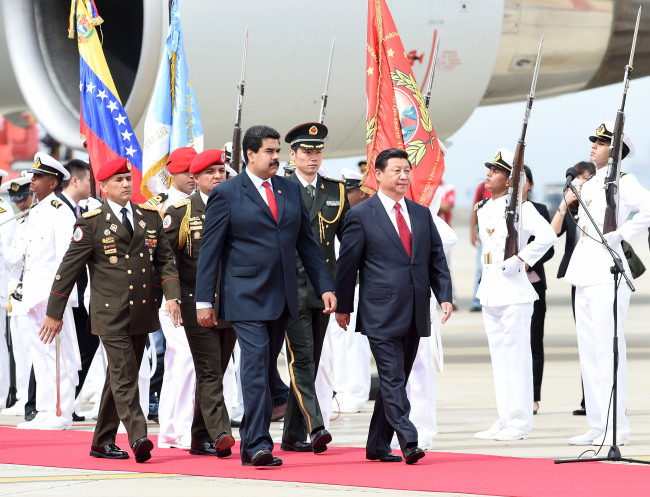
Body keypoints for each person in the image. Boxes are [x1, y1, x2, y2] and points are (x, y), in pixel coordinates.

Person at [194, 125, 336, 467]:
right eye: (270, 151)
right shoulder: (227, 193)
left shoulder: (288, 189)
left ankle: (258, 439)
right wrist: (203, 301)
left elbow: (307, 243)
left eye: (277, 151)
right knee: (256, 365)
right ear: (251, 155)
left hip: (284, 296)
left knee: (266, 366)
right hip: (244, 296)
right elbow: (210, 251)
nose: (276, 157)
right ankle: (257, 445)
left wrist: (325, 286)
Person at [40, 157, 182, 463]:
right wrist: (54, 311)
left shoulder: (149, 217)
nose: (126, 184)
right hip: (108, 312)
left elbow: (165, 261)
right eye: (118, 180)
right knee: (124, 372)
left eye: (128, 179)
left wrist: (172, 296)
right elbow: (68, 269)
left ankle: (102, 441)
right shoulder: (91, 222)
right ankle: (138, 434)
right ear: (102, 187)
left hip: (142, 312)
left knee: (118, 377)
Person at [335, 147, 453, 465]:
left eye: (406, 170)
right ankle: (409, 439)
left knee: (396, 377)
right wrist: (343, 307)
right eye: (396, 171)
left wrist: (444, 295)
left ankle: (376, 445)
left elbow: (436, 260)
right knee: (393, 378)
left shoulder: (420, 213)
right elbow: (347, 267)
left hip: (414, 311)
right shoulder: (360, 216)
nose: (403, 176)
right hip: (379, 312)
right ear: (379, 175)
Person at [563, 122, 650, 447]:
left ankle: (617, 427)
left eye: (601, 142)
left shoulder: (623, 182)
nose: (593, 146)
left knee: (609, 350)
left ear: (614, 151)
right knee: (589, 352)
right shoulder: (590, 183)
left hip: (607, 273)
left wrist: (623, 234)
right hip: (585, 272)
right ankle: (598, 424)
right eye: (594, 141)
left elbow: (648, 207)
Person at [474, 148, 555, 441]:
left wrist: (522, 259)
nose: (489, 174)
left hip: (515, 293)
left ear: (510, 179)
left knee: (517, 359)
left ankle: (520, 421)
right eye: (490, 169)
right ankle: (505, 416)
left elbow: (547, 237)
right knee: (500, 359)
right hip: (491, 290)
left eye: (495, 171)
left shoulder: (522, 207)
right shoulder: (484, 209)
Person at [280, 122, 350, 454]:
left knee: (311, 358)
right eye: (306, 152)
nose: (313, 157)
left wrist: (345, 293)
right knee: (301, 360)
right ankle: (316, 425)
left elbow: (347, 245)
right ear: (292, 155)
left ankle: (292, 435)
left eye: (317, 151)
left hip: (324, 290)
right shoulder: (279, 189)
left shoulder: (335, 191)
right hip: (289, 288)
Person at [163, 149, 237, 457]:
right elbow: (165, 256)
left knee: (217, 370)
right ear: (195, 178)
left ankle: (199, 436)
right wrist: (173, 296)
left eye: (221, 171)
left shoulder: (237, 205)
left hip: (232, 304)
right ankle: (221, 431)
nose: (218, 177)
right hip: (196, 303)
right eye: (211, 172)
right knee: (208, 370)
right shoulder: (181, 211)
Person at [12, 153, 80, 431]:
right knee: (39, 355)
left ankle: (61, 412)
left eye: (38, 176)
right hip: (33, 296)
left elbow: (68, 258)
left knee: (58, 355)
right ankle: (44, 409)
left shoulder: (59, 211)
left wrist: (61, 300)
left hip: (53, 297)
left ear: (54, 182)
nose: (32, 180)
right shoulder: (36, 211)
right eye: (33, 175)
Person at [150, 146, 197, 447]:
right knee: (188, 359)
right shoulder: (163, 207)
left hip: (197, 297)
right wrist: (170, 297)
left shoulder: (201, 202)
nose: (192, 177)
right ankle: (182, 428)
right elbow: (161, 257)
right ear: (170, 173)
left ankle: (169, 428)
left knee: (179, 360)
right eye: (185, 172)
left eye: (196, 171)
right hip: (172, 298)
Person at [550, 161, 596, 417]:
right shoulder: (571, 209)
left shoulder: (600, 208)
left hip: (599, 277)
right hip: (578, 276)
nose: (580, 183)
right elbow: (552, 232)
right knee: (584, 338)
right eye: (577, 179)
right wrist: (565, 203)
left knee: (601, 338)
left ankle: (604, 397)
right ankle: (587, 398)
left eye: (585, 179)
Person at [58, 159, 101, 421]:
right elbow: (65, 259)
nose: (91, 185)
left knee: (81, 348)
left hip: (80, 292)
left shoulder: (77, 209)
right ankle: (52, 405)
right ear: (75, 180)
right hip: (69, 294)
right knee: (64, 351)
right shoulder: (61, 211)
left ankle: (67, 403)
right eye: (88, 180)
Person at [328, 169, 371, 413]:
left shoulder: (362, 218)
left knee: (354, 343)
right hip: (337, 289)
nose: (345, 196)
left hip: (356, 287)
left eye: (350, 191)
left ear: (363, 193)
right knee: (338, 342)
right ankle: (342, 390)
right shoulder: (342, 218)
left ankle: (355, 393)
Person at [521, 166, 554, 415]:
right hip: (506, 285)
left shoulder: (540, 210)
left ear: (530, 184)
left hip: (533, 281)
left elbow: (550, 248)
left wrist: (528, 260)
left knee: (534, 341)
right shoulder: (494, 209)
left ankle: (533, 396)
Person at [0, 175, 33, 417]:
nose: (21, 204)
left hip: (27, 289)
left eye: (25, 198)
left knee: (32, 347)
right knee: (21, 348)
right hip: (15, 291)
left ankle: (29, 396)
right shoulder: (21, 219)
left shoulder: (10, 215)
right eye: (18, 200)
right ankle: (23, 394)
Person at [469, 182, 491, 312]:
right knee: (481, 267)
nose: (490, 174)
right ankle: (478, 301)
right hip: (484, 236)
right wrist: (472, 231)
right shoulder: (482, 187)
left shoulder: (510, 186)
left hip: (503, 236)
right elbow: (475, 210)